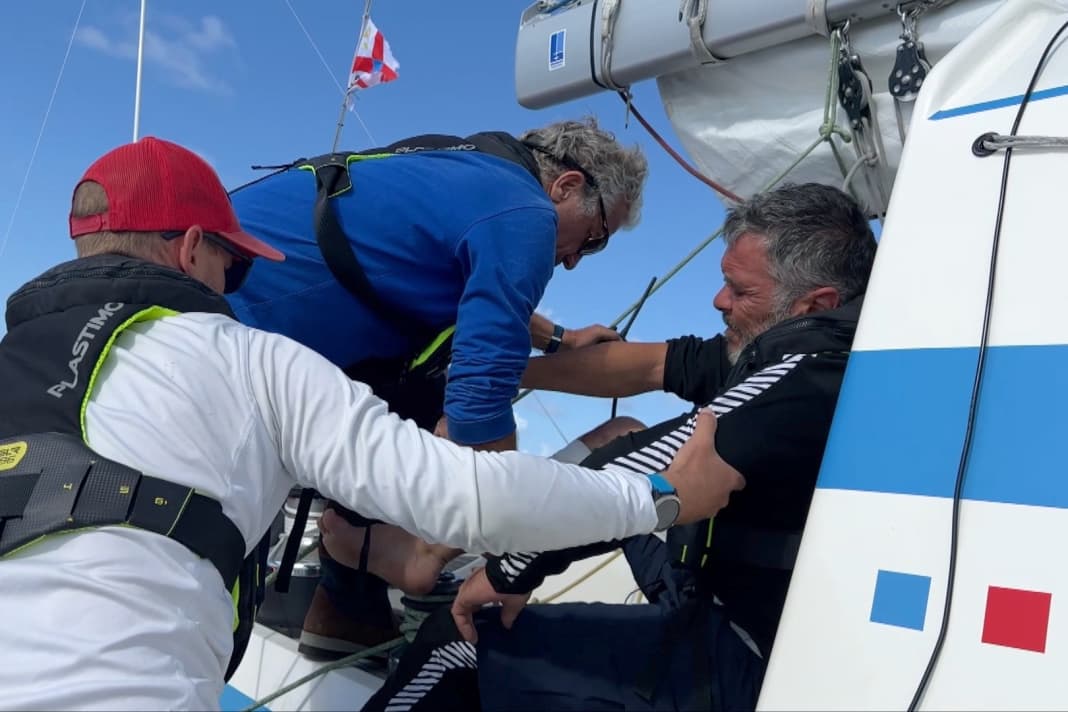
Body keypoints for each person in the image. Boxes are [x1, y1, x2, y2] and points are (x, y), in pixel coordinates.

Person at [0, 137, 738, 711]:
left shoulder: (16, 360)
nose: (579, 259)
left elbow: (463, 319)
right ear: (195, 248)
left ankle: (345, 603)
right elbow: (477, 444)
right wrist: (661, 497)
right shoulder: (256, 360)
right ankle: (372, 575)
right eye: (236, 264)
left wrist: (549, 339)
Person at [362, 182, 878, 711]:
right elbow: (650, 365)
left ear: (817, 304)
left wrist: (507, 572)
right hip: (728, 581)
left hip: (747, 648)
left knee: (451, 644)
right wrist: (496, 369)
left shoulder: (811, 371)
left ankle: (442, 566)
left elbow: (635, 475)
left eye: (739, 291)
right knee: (619, 433)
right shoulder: (810, 342)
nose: (718, 301)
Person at [225, 116, 649, 658]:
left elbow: (462, 287)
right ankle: (407, 561)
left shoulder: (466, 170)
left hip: (221, 314)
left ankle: (347, 611)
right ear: (565, 186)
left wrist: (560, 339)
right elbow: (478, 406)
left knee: (421, 379)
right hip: (235, 356)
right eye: (593, 240)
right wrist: (503, 554)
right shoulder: (526, 214)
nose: (571, 261)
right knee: (446, 393)